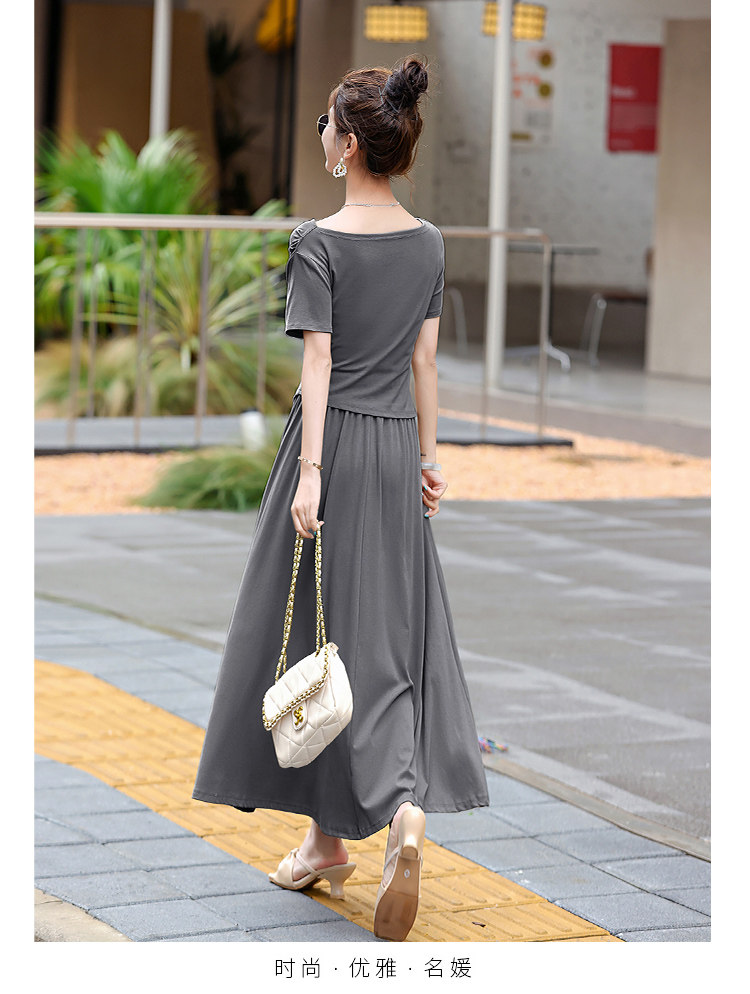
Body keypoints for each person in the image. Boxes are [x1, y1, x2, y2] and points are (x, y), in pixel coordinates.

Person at [192, 55, 489, 942]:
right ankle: (341, 836)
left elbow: (319, 361)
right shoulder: (429, 242)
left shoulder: (317, 242)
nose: (323, 133)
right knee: (382, 635)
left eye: (329, 122)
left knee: (309, 632)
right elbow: (425, 362)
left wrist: (312, 472)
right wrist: (430, 459)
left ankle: (378, 814)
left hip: (335, 449)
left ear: (349, 143)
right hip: (397, 450)